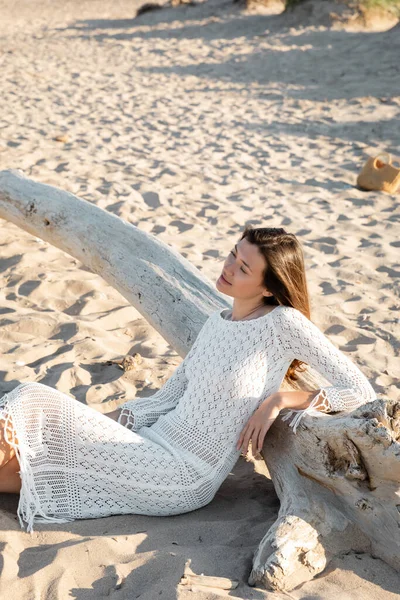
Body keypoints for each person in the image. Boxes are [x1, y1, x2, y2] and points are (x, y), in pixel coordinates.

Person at [0, 226, 377, 533]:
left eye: (243, 268)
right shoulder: (216, 322)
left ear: (267, 287)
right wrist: (95, 423)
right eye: (233, 254)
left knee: (32, 396)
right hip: (150, 442)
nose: (229, 267)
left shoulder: (284, 323)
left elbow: (359, 390)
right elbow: (168, 398)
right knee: (30, 460)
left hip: (184, 474)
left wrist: (280, 400)